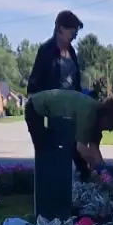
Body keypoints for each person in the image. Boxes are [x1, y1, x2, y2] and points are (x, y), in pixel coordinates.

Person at [26, 10, 84, 174]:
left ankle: (86, 179)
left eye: (76, 33)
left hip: (71, 107)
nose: (74, 36)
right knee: (53, 148)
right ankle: (51, 181)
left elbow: (76, 80)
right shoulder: (46, 51)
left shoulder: (72, 52)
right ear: (60, 29)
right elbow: (35, 79)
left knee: (76, 145)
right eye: (72, 32)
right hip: (51, 107)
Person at [27, 89, 113, 179]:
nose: (110, 130)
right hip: (35, 107)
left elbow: (94, 149)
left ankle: (83, 179)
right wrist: (99, 169)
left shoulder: (97, 119)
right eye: (111, 126)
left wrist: (101, 169)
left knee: (74, 153)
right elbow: (81, 149)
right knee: (45, 152)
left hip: (53, 113)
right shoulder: (89, 113)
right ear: (106, 118)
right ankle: (46, 189)